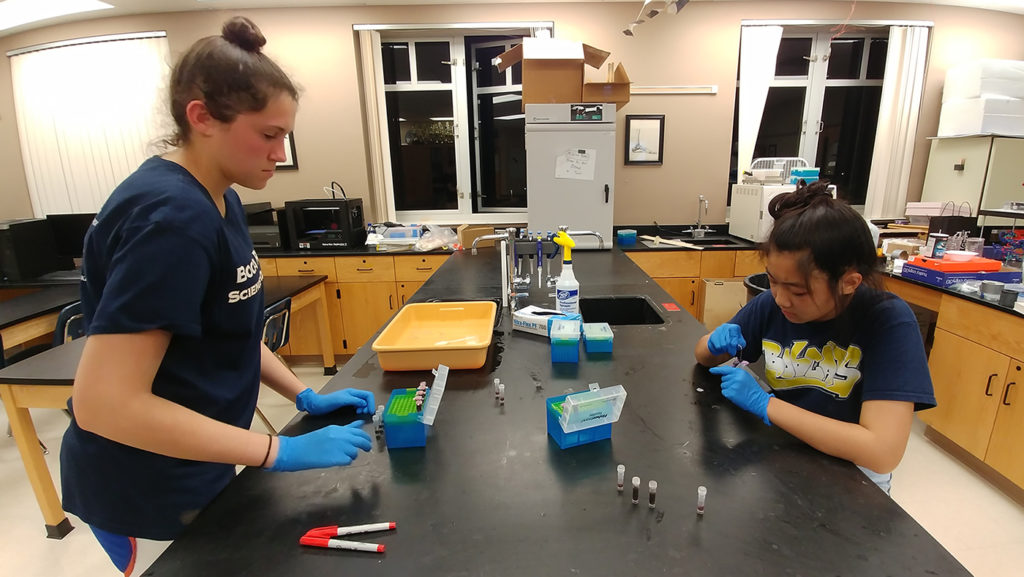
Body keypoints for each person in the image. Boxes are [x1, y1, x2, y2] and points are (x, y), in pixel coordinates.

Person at [60, 17, 374, 576]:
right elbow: (105, 404)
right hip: (145, 482)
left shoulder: (220, 198)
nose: (280, 152)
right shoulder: (171, 219)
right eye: (268, 134)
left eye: (285, 136)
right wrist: (277, 452)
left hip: (199, 456)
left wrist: (303, 396)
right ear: (202, 117)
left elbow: (226, 328)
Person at [694, 181, 935, 494]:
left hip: (853, 480)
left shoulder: (887, 321)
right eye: (773, 281)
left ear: (849, 282)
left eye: (798, 290)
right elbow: (702, 354)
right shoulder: (773, 304)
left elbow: (881, 452)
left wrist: (766, 405)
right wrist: (713, 344)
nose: (781, 299)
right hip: (785, 457)